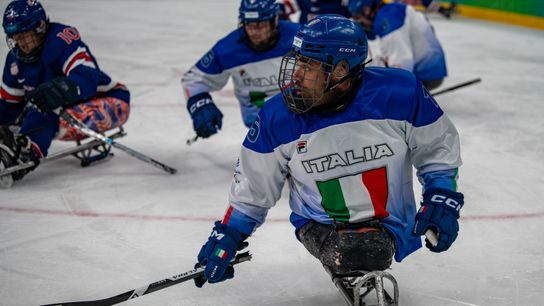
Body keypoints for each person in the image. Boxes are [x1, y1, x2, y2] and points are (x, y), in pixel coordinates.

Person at [194, 14, 464, 290]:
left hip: (390, 223)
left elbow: (437, 148)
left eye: (308, 65)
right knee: (358, 250)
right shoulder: (277, 116)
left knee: (366, 249)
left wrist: (442, 196)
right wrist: (227, 234)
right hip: (319, 224)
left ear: (340, 72)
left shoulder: (400, 92)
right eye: (297, 60)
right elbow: (253, 187)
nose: (296, 74)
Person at [0, 0, 130, 185]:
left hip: (111, 102)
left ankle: (26, 152)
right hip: (65, 113)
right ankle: (12, 148)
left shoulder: (61, 40)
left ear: (40, 27)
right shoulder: (14, 61)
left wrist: (59, 89)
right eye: (14, 37)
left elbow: (87, 78)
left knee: (43, 110)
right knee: (27, 113)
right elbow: (8, 107)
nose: (20, 43)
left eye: (24, 35)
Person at [181, 0, 299, 139]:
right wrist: (200, 104)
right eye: (249, 24)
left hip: (303, 114)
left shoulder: (299, 37)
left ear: (275, 20)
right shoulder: (227, 50)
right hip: (262, 123)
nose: (255, 32)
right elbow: (194, 79)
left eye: (261, 24)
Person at [348, 0, 448, 90]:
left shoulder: (388, 17)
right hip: (431, 70)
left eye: (358, 16)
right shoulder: (391, 10)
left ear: (367, 10)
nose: (360, 22)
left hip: (426, 75)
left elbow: (403, 62)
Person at [279, 0, 351, 24]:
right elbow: (278, 8)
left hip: (335, 42)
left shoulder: (344, 3)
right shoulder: (304, 2)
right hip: (307, 41)